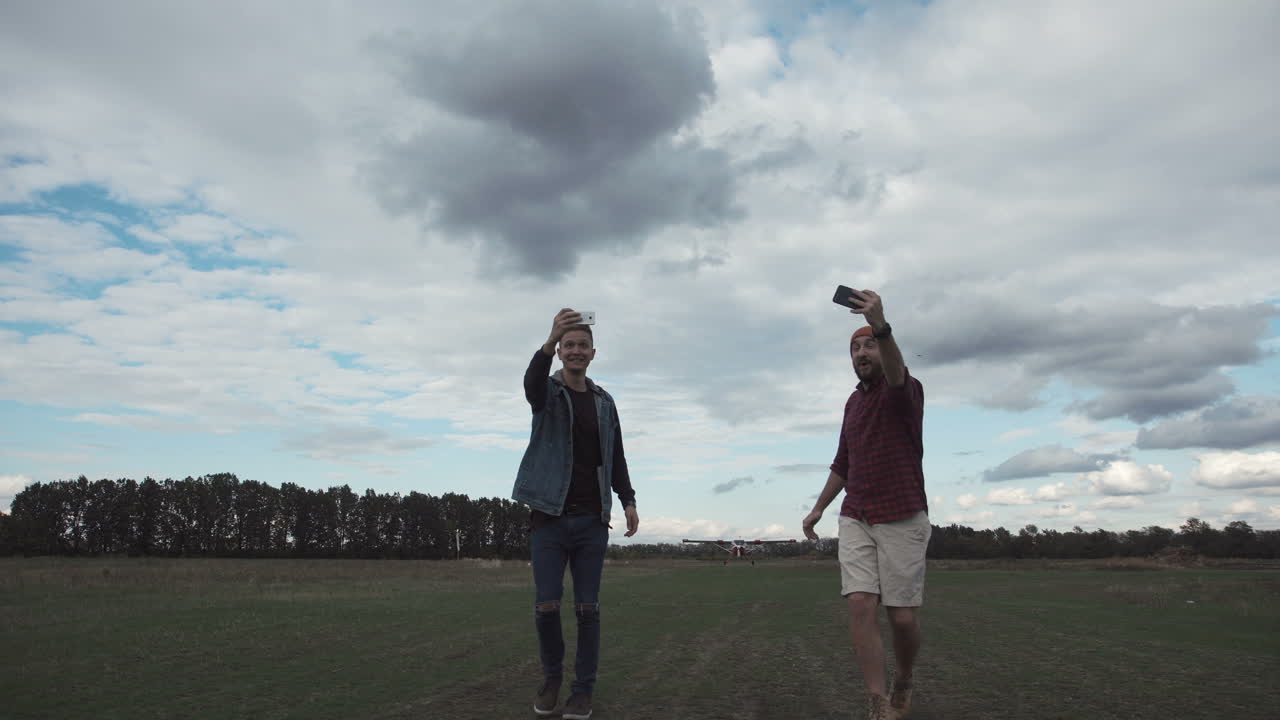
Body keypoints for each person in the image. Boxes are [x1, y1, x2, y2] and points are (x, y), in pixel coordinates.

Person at [802, 289, 930, 720]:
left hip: (903, 515)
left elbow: (896, 372)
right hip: (857, 514)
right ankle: (877, 702)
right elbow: (844, 462)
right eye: (854, 347)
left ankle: (904, 678)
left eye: (868, 344)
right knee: (860, 603)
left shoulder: (905, 390)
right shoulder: (852, 403)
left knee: (903, 620)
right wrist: (819, 507)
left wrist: (881, 325)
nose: (861, 351)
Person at [513, 308, 639, 720]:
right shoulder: (547, 393)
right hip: (548, 519)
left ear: (593, 352)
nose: (576, 351)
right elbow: (531, 384)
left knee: (588, 609)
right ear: (561, 350)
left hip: (591, 521)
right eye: (569, 345)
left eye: (582, 345)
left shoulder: (605, 403)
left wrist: (628, 499)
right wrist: (546, 342)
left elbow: (615, 455)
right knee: (546, 605)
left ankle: (582, 691)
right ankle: (552, 679)